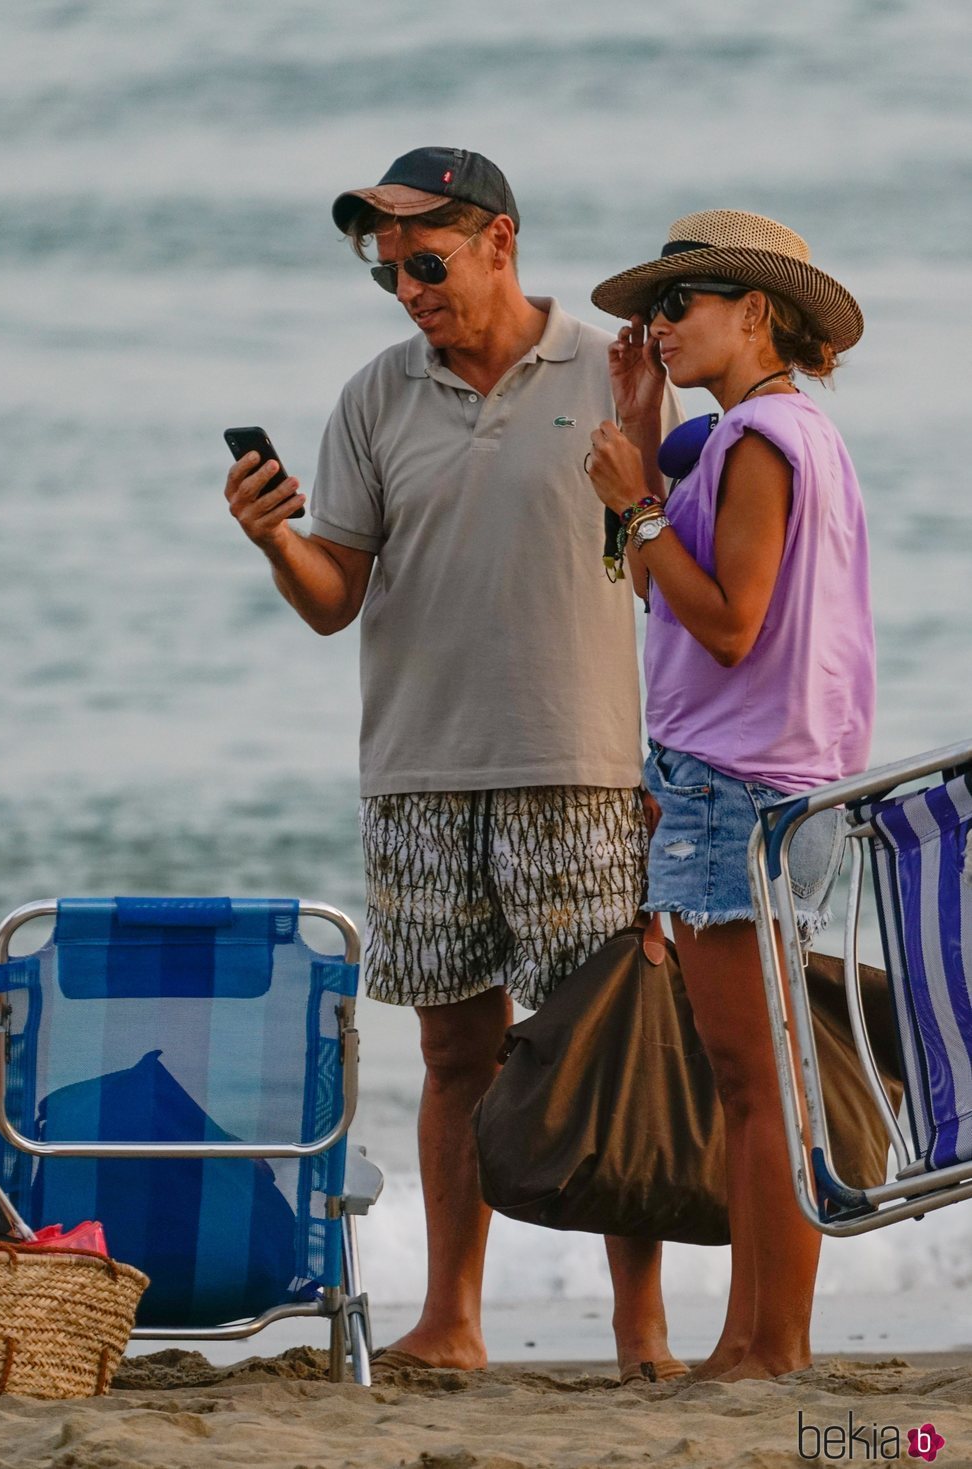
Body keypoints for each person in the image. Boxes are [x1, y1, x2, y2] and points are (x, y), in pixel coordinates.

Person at [224, 146, 684, 1378]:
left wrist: (672, 768)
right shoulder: (375, 396)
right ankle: (454, 1317)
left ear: (499, 241)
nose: (408, 288)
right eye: (388, 273)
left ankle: (639, 1328)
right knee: (452, 1057)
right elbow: (335, 600)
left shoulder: (616, 370)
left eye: (425, 261)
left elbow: (676, 585)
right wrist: (277, 539)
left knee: (600, 1048)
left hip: (581, 768)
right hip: (419, 776)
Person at [584, 209, 875, 1381]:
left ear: (755, 309)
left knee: (753, 1086)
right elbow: (691, 610)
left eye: (677, 304)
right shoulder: (786, 434)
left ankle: (766, 1348)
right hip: (788, 782)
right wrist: (644, 447)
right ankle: (763, 1341)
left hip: (732, 787)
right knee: (766, 1080)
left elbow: (726, 619)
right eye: (650, 308)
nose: (655, 326)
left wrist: (634, 503)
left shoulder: (755, 437)